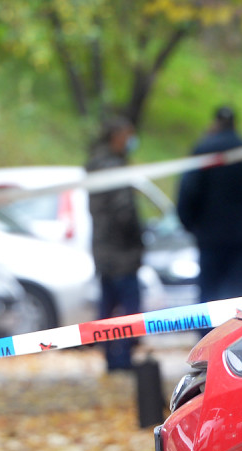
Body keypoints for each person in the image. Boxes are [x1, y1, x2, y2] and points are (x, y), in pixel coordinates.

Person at [177, 106, 242, 303]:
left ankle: (211, 324)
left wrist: (191, 224)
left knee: (209, 294)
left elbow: (188, 191)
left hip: (210, 235)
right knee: (237, 294)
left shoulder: (203, 150)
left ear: (215, 122)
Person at [85, 116, 143, 372]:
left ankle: (111, 356)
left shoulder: (95, 165)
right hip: (122, 251)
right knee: (129, 307)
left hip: (103, 248)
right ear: (116, 137)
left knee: (107, 306)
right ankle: (123, 358)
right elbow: (123, 211)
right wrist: (137, 240)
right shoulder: (113, 168)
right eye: (128, 135)